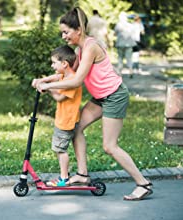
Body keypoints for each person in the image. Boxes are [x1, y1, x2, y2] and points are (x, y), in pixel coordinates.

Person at [32, 7, 153, 200]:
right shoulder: (80, 49)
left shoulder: (91, 47)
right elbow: (67, 73)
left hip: (115, 95)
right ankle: (82, 175)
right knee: (76, 128)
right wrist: (44, 80)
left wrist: (48, 86)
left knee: (109, 146)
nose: (63, 36)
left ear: (78, 29)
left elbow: (76, 80)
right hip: (100, 97)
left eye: (66, 32)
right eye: (62, 32)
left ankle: (143, 183)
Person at [32, 45, 82, 187]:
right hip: (63, 119)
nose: (52, 65)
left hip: (66, 121)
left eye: (54, 62)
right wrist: (42, 81)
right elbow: (55, 77)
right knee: (59, 149)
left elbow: (60, 98)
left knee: (60, 150)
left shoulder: (72, 81)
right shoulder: (65, 76)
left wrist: (46, 89)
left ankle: (64, 178)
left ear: (64, 63)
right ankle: (64, 175)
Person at [114, 12, 136, 78]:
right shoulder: (130, 25)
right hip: (129, 44)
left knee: (120, 58)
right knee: (129, 58)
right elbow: (133, 34)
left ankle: (120, 73)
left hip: (120, 44)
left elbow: (115, 33)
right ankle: (131, 71)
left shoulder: (118, 25)